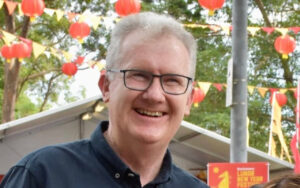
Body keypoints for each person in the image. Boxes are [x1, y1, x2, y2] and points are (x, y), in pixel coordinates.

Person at [0, 12, 209, 188]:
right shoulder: (42, 175)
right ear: (106, 86)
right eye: (138, 75)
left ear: (189, 99)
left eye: (172, 80)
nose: (154, 95)